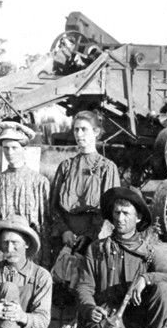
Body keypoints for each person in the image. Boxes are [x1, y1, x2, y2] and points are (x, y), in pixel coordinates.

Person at [74, 186, 167, 328]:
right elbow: (84, 286)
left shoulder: (149, 252)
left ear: (138, 218)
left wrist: (146, 278)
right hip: (107, 318)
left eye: (126, 213)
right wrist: (90, 308)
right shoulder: (96, 249)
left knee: (164, 289)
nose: (120, 218)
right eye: (116, 213)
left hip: (137, 319)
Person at [46, 110, 121, 264]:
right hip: (65, 239)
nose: (79, 134)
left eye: (84, 129)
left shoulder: (107, 168)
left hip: (95, 238)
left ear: (96, 132)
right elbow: (53, 206)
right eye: (76, 129)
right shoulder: (66, 166)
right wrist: (64, 231)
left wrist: (89, 236)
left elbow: (110, 209)